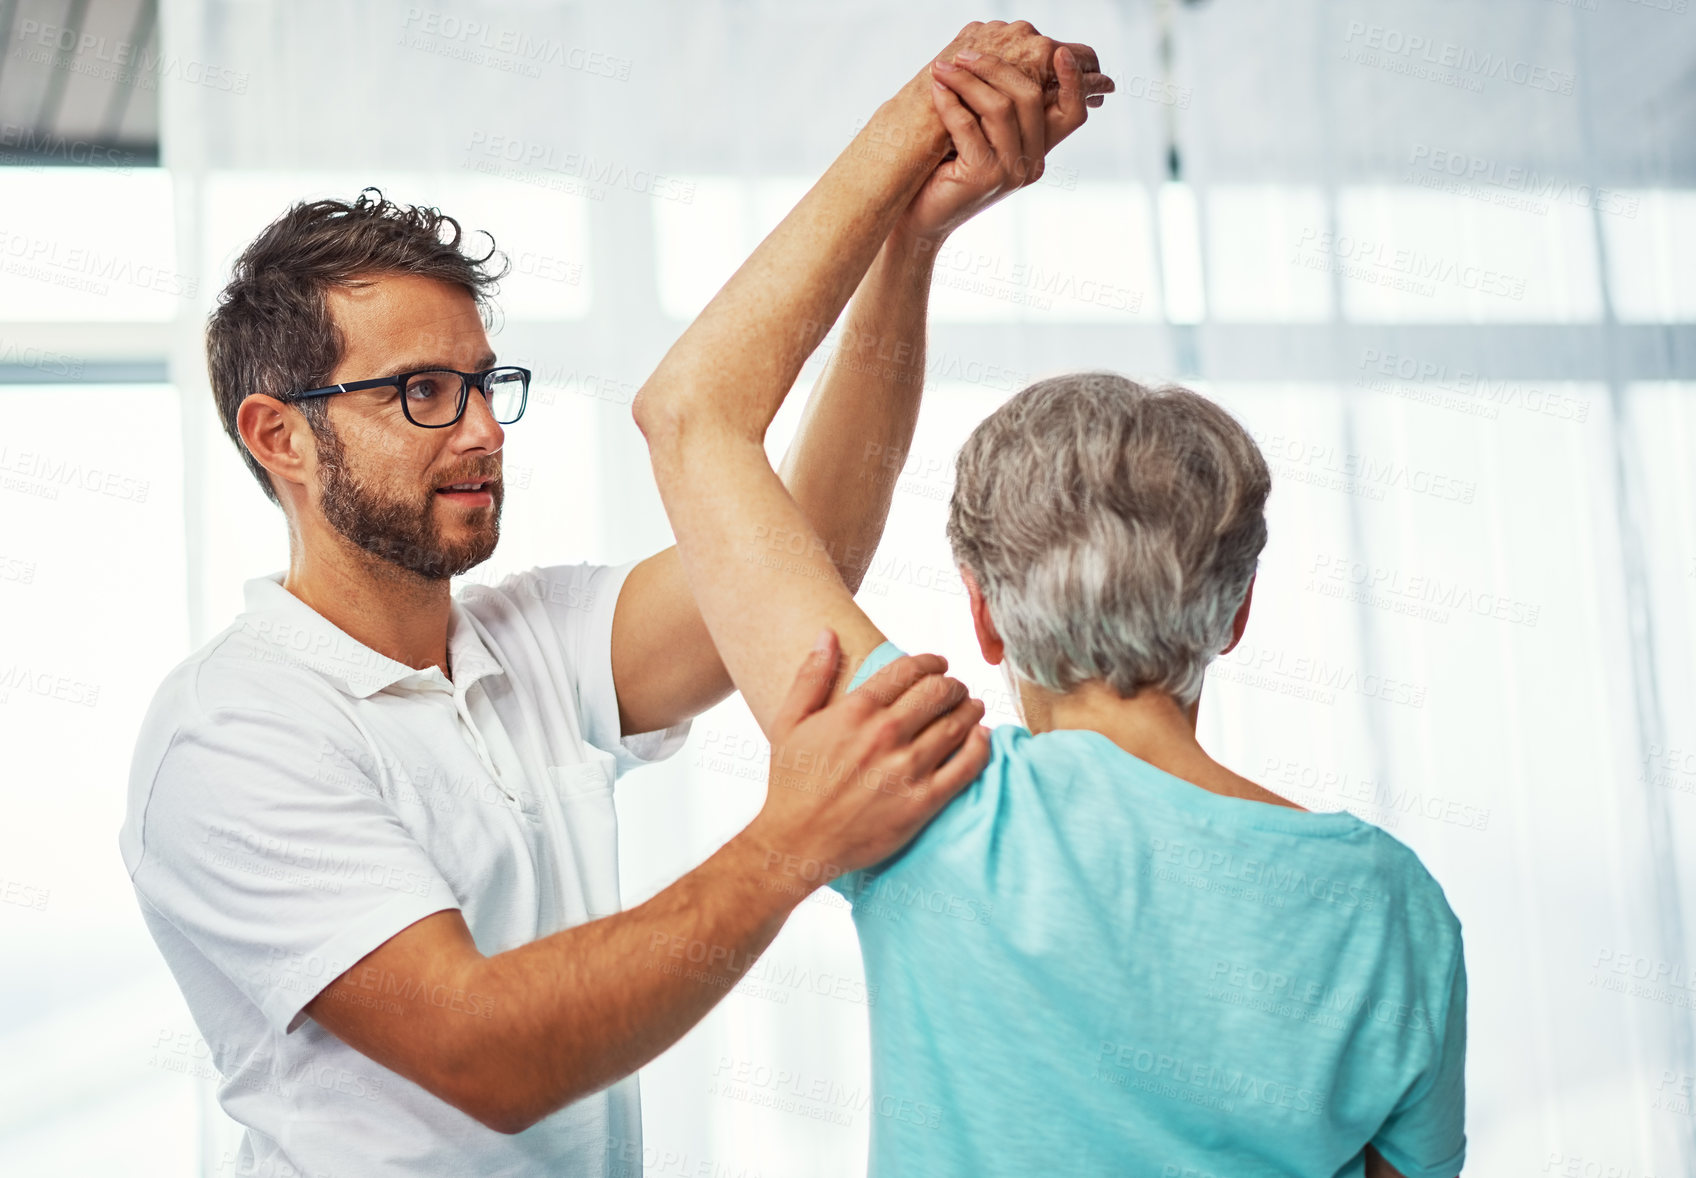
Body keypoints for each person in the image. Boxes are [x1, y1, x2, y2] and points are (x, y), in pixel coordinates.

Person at [116, 21, 1112, 1178]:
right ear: (279, 434)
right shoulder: (233, 730)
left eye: (486, 384)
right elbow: (487, 1052)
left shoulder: (526, 640)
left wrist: (911, 246)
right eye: (424, 392)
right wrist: (793, 839)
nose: (485, 430)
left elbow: (805, 555)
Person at [632, 32, 1467, 1178]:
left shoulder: (923, 798)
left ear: (983, 614)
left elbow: (691, 413)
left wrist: (916, 155)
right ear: (1234, 610)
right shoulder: (1390, 904)